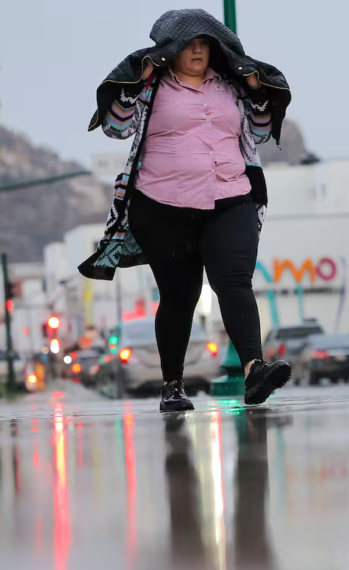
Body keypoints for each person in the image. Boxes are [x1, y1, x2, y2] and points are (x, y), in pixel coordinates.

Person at [79, 9, 293, 412]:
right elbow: (117, 127)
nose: (197, 49)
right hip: (162, 206)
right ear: (170, 50)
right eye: (189, 43)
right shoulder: (152, 86)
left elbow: (262, 131)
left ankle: (254, 371)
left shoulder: (231, 86)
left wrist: (258, 90)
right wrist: (134, 82)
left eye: (204, 43)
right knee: (180, 295)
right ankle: (173, 385)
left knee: (234, 281)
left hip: (231, 197)